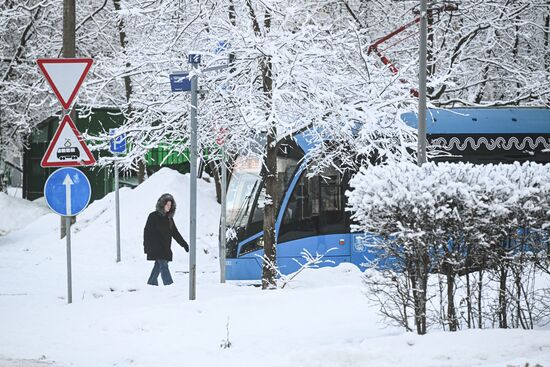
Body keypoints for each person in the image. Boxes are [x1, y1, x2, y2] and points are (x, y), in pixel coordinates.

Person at [143, 193, 189, 286]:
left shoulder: (169, 219)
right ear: (162, 204)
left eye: (170, 205)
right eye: (167, 204)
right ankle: (169, 285)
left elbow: (175, 233)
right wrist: (146, 246)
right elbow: (147, 232)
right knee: (163, 265)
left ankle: (151, 282)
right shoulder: (153, 216)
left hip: (165, 248)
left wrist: (184, 244)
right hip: (155, 247)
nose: (169, 207)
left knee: (159, 265)